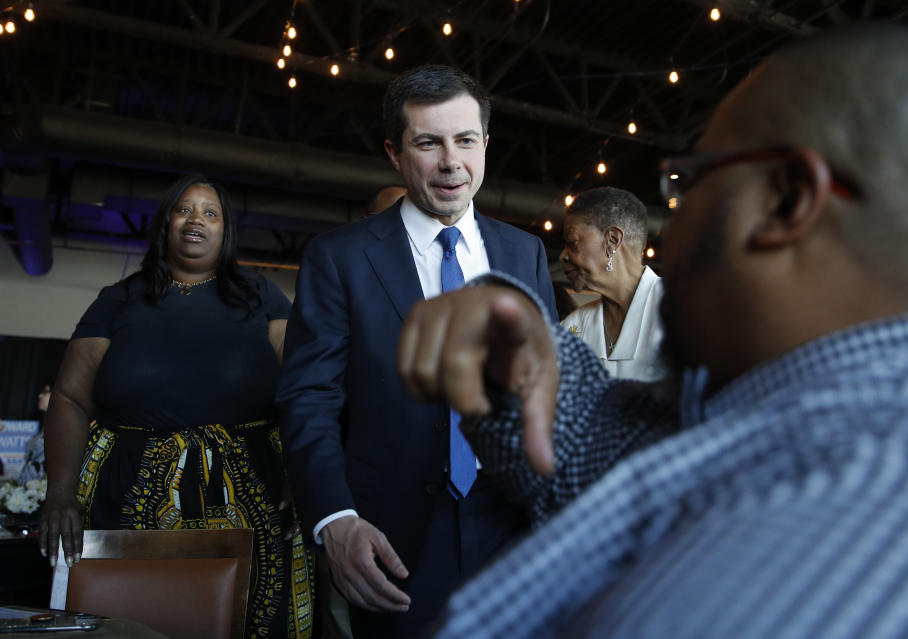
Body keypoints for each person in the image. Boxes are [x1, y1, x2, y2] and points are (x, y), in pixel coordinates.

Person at [396, 24, 908, 638]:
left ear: (786, 203)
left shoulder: (820, 563)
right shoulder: (798, 409)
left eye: (688, 185)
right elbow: (603, 444)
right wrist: (510, 351)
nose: (667, 227)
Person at [276, 64, 557, 639]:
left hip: (515, 532)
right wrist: (336, 519)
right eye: (429, 142)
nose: (451, 162)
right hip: (390, 539)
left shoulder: (524, 253)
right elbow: (308, 399)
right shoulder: (341, 258)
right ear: (395, 153)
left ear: (485, 144)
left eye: (465, 140)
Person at [39, 175, 313, 638]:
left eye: (211, 213)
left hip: (254, 491)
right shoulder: (118, 299)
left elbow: (304, 388)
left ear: (225, 232)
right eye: (185, 209)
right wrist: (60, 493)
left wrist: (302, 469)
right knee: (130, 624)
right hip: (123, 493)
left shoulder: (261, 295)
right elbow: (69, 397)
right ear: (166, 222)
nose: (196, 221)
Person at [560, 187, 670, 380]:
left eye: (572, 242)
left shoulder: (682, 310)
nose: (563, 256)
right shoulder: (571, 329)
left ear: (612, 240)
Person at [18, 384, 50, 483]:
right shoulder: (42, 422)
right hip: (27, 480)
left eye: (45, 392)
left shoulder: (64, 427)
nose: (40, 396)